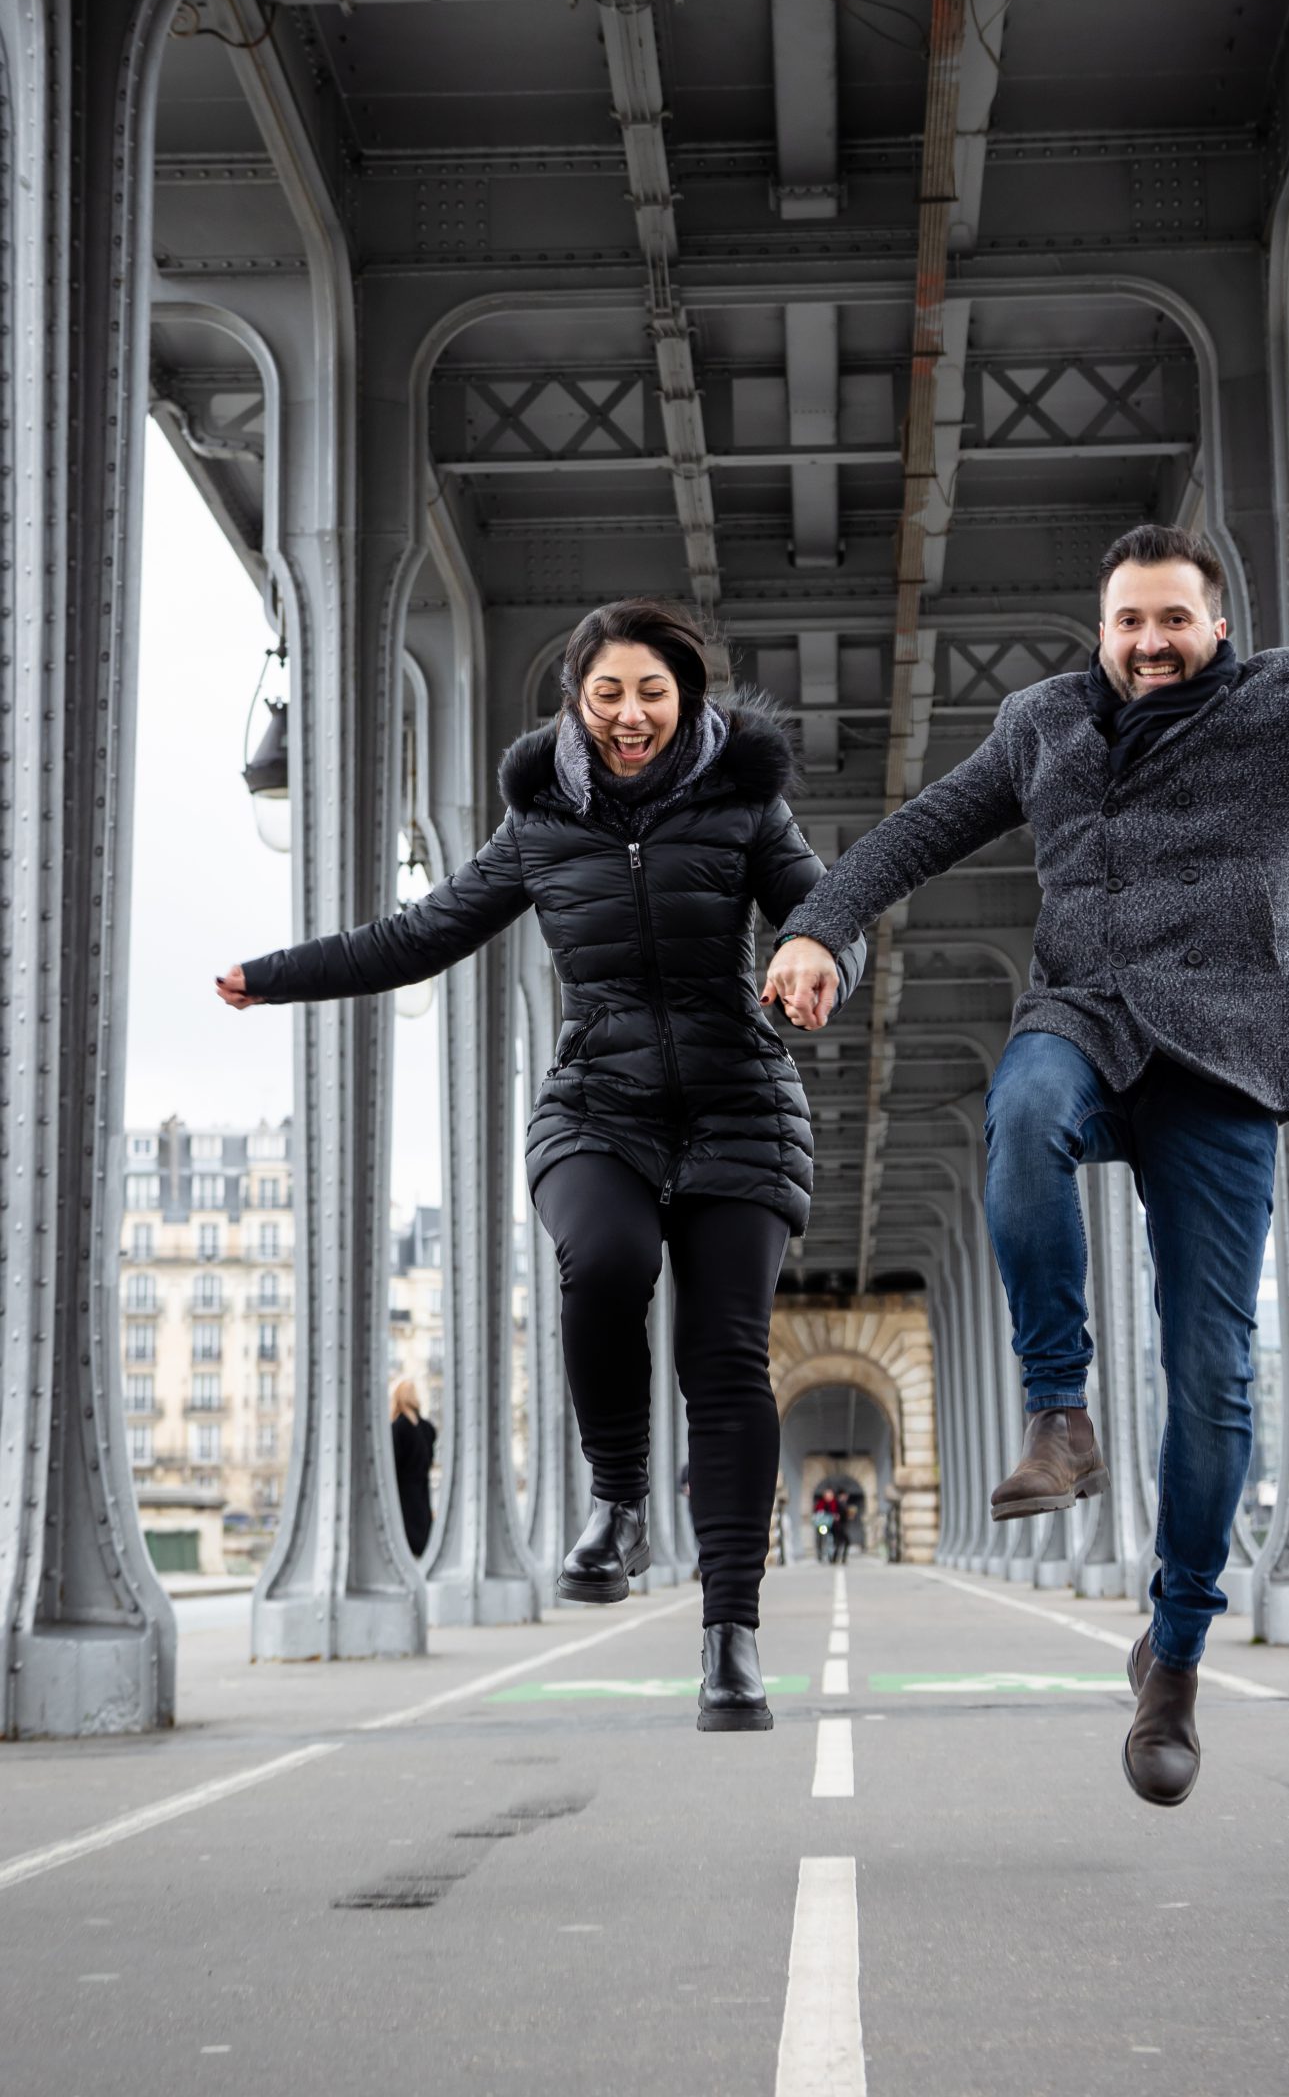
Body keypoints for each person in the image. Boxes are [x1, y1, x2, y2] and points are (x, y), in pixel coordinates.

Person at [765, 452, 1289, 1804]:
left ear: (1216, 624)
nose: (1151, 641)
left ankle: (1175, 1653)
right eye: (1129, 621)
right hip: (1082, 1015)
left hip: (1225, 1045)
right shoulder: (1040, 723)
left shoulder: (1287, 702)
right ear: (1101, 629)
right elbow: (917, 832)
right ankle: (1057, 1411)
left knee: (1212, 1375)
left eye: (1174, 619)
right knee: (1021, 1113)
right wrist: (818, 927)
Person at [217, 597, 862, 1734]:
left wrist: (820, 958)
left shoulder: (746, 803)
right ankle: (618, 1499)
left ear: (686, 698)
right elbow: (420, 933)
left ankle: (731, 1639)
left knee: (723, 1358)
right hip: (597, 1106)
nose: (630, 714)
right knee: (602, 1261)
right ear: (576, 699)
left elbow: (825, 911)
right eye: (608, 693)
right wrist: (274, 975)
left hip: (738, 1108)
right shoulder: (539, 825)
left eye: (652, 692)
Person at [389, 1376, 437, 1559]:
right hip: (422, 1490)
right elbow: (429, 1459)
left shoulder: (398, 1427)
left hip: (403, 1493)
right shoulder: (426, 1428)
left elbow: (394, 1463)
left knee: (407, 1539)